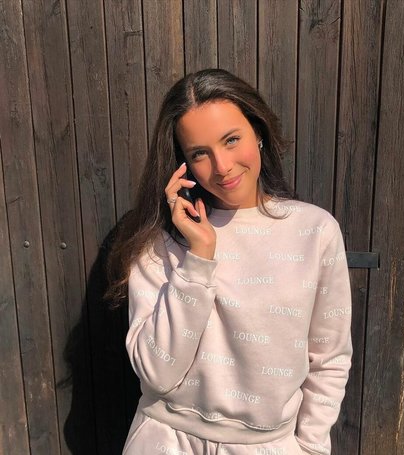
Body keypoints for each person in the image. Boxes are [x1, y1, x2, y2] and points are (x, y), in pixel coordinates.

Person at [104, 68, 352, 455]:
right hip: (166, 440)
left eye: (231, 139)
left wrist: (310, 447)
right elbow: (157, 373)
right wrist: (199, 256)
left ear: (259, 132)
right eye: (199, 153)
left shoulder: (315, 232)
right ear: (182, 163)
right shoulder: (158, 240)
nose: (221, 166)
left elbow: (329, 358)